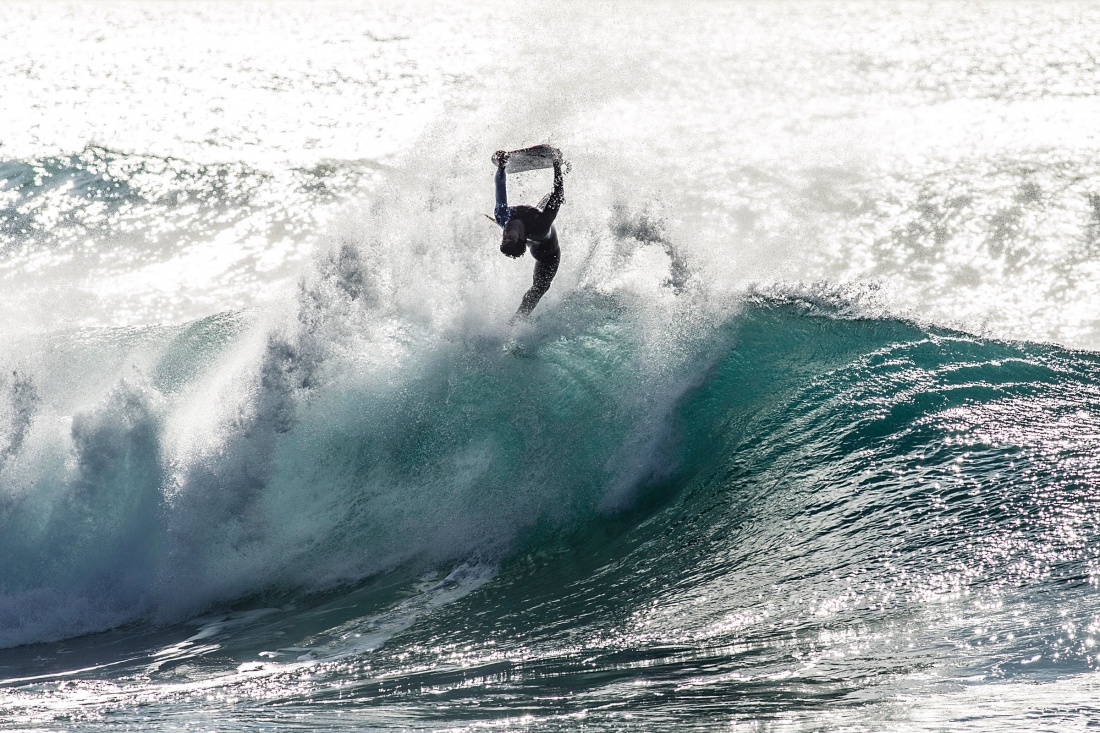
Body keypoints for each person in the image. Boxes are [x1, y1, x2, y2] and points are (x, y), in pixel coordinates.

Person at [492, 149, 564, 321]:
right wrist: (556, 165)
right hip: (547, 255)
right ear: (522, 237)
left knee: (547, 200)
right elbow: (558, 194)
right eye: (511, 238)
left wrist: (501, 167)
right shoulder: (541, 224)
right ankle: (516, 321)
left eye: (504, 237)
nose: (506, 233)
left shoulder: (502, 216)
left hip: (536, 227)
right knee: (539, 288)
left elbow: (500, 186)